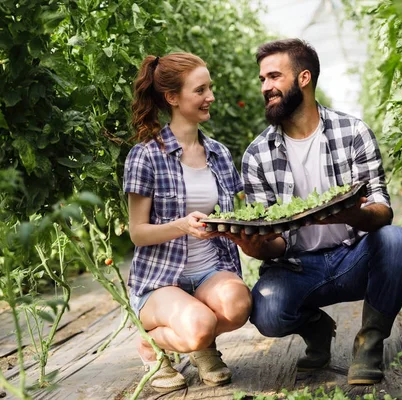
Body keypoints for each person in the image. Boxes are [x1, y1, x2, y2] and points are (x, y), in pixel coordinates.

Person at [224, 39, 402, 385]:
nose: (266, 87)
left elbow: (382, 210)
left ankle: (370, 343)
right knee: (267, 311)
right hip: (299, 267)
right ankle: (316, 328)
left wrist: (350, 215)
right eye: (262, 79)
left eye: (273, 76)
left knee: (396, 241)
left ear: (304, 78)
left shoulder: (353, 133)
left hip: (353, 257)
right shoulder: (257, 154)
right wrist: (257, 246)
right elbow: (275, 240)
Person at [123, 53, 251, 393]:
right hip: (162, 280)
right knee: (198, 325)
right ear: (173, 98)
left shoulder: (219, 154)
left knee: (239, 305)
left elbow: (233, 213)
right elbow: (137, 233)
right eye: (201, 90)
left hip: (210, 269)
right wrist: (181, 225)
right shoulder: (145, 155)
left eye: (210, 88)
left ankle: (201, 340)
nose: (210, 97)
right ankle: (154, 345)